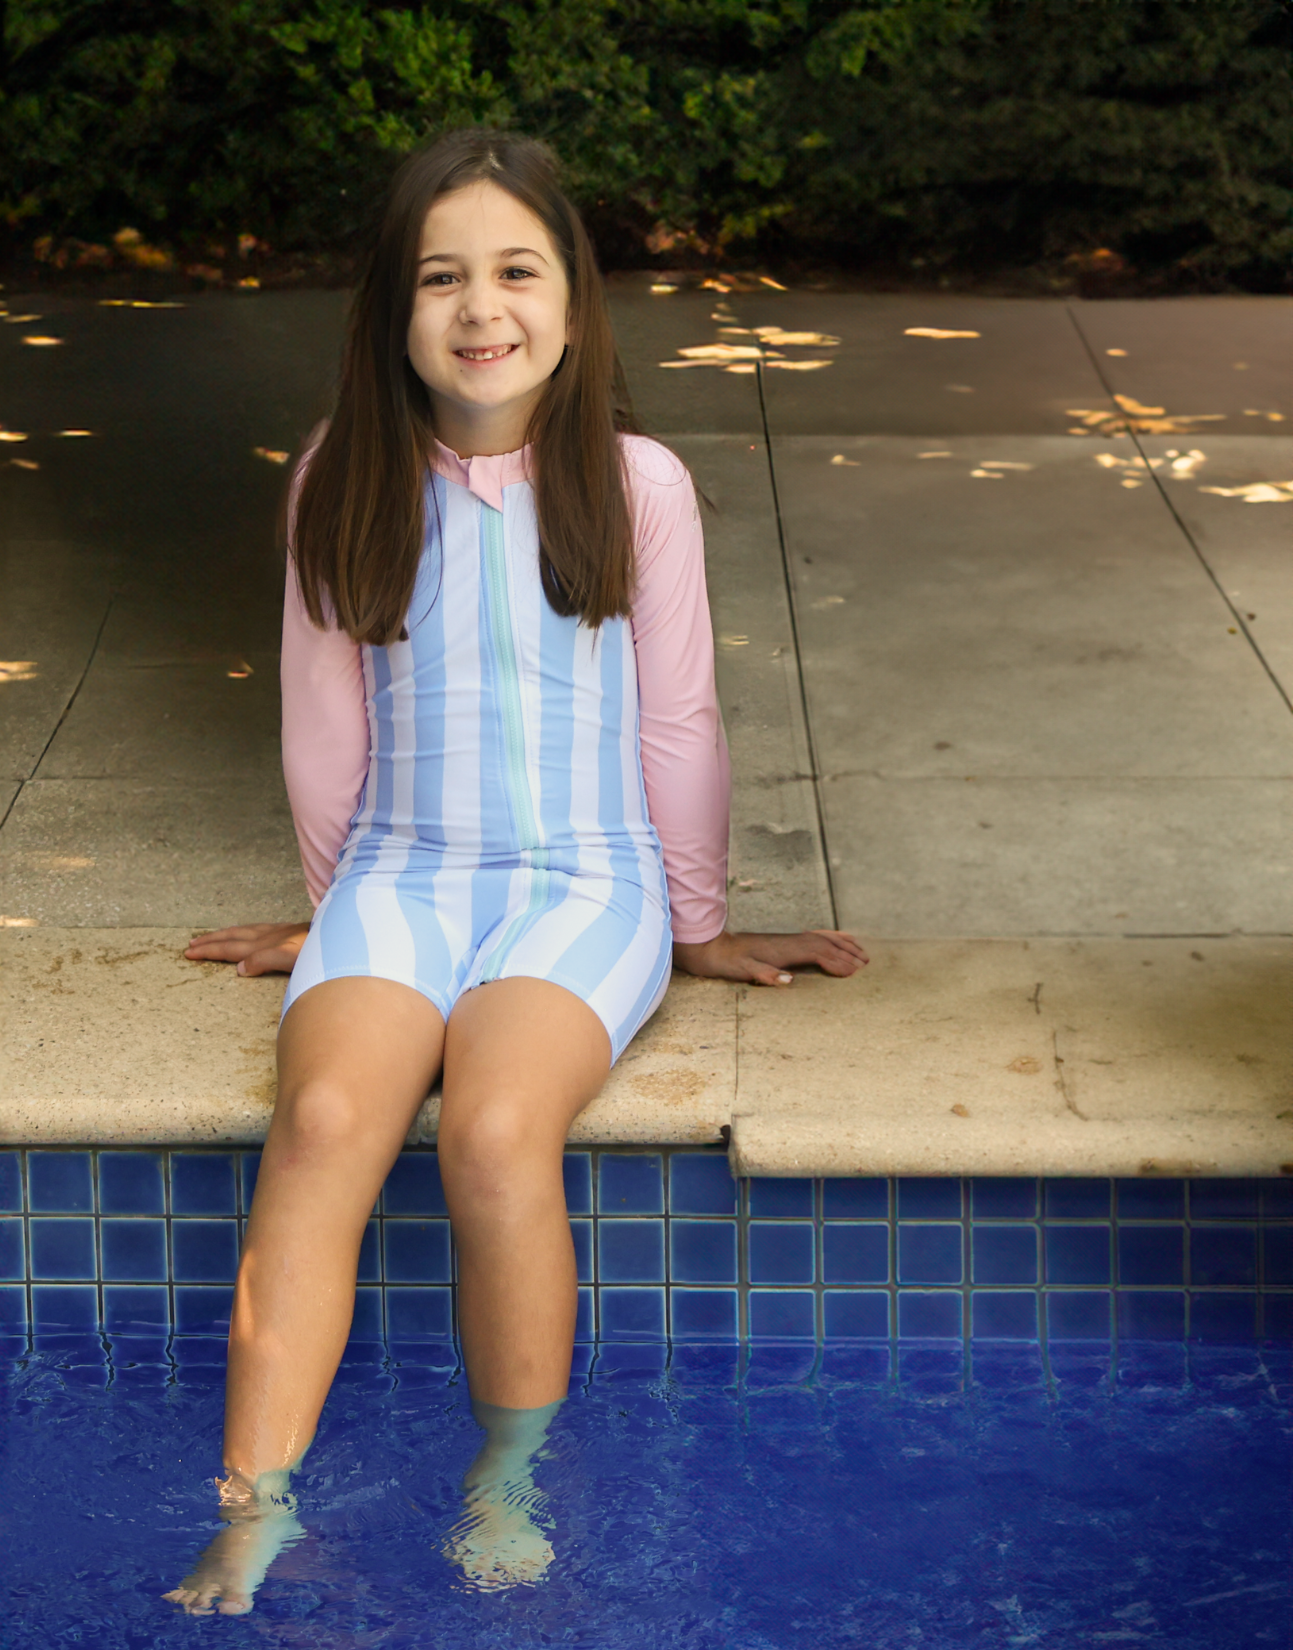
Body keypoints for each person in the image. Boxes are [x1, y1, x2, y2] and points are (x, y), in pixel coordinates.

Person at [166, 127, 868, 1617]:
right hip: (401, 875)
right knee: (325, 1118)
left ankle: (506, 1477)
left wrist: (693, 921)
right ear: (391, 308)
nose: (481, 308)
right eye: (441, 278)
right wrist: (332, 913)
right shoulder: (337, 475)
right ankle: (251, 1506)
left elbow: (679, 718)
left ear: (572, 297)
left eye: (515, 271)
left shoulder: (636, 482)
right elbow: (321, 726)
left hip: (584, 882)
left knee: (492, 1130)